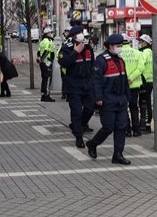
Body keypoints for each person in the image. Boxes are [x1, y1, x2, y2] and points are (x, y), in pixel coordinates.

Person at [85, 34, 131, 165]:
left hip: (121, 99)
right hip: (108, 99)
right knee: (108, 127)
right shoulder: (101, 60)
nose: (120, 48)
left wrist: (128, 97)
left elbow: (124, 80)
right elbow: (96, 81)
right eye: (118, 46)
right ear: (110, 46)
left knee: (122, 126)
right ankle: (93, 144)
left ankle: (118, 154)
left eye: (121, 46)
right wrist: (98, 98)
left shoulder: (120, 60)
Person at [59, 26, 95, 148]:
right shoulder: (66, 49)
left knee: (90, 108)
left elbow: (92, 65)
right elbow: (64, 63)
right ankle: (79, 137)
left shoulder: (88, 47)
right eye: (78, 34)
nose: (80, 35)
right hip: (73, 85)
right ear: (73, 37)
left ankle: (79, 125)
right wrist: (76, 52)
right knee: (76, 112)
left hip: (87, 84)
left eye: (81, 33)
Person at [119, 34, 144, 137]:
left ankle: (127, 130)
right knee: (134, 107)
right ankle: (136, 130)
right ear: (129, 42)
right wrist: (132, 78)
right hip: (134, 85)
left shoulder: (118, 54)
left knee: (124, 108)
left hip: (122, 85)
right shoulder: (137, 53)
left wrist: (126, 79)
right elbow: (141, 68)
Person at [138, 34, 154, 134]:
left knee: (143, 103)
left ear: (145, 43)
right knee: (147, 102)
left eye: (141, 42)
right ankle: (147, 124)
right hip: (150, 80)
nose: (139, 43)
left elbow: (141, 66)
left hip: (144, 81)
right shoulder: (151, 52)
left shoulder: (144, 52)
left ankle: (144, 124)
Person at [37, 27, 56, 102]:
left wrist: (39, 59)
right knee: (48, 79)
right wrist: (42, 59)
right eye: (50, 33)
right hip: (47, 62)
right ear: (47, 34)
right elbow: (47, 51)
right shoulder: (48, 42)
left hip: (42, 63)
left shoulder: (42, 42)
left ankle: (43, 95)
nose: (51, 34)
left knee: (44, 79)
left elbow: (38, 52)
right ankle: (47, 95)